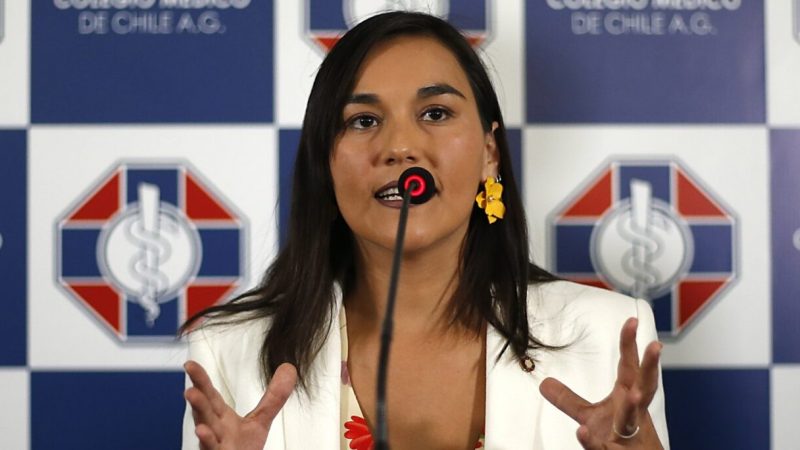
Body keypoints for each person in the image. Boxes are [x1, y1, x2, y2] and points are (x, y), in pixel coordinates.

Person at [181, 11, 669, 450]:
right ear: (325, 164)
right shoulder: (229, 352)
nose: (400, 147)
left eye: (435, 114)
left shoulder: (606, 336)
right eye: (363, 120)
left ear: (489, 153)